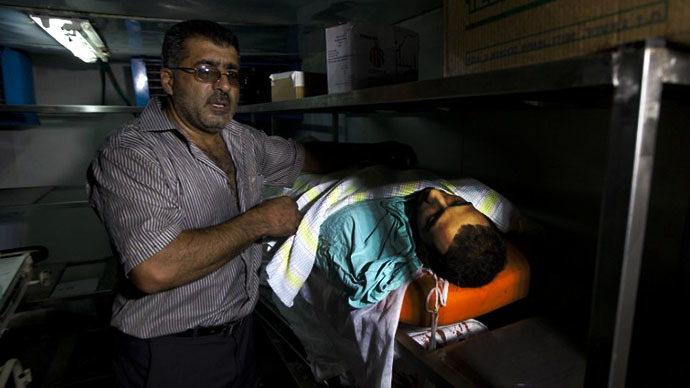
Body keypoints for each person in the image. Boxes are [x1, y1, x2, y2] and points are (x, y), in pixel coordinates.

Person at [86, 20, 416, 388]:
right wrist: (257, 223)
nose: (223, 84)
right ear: (168, 80)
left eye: (231, 73)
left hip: (240, 335)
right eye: (205, 70)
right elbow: (154, 269)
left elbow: (305, 156)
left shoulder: (240, 140)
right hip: (169, 351)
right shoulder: (132, 154)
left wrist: (377, 152)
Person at [314, 187, 506, 308]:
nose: (434, 194)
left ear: (423, 252)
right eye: (458, 202)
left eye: (432, 218)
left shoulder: (351, 231)